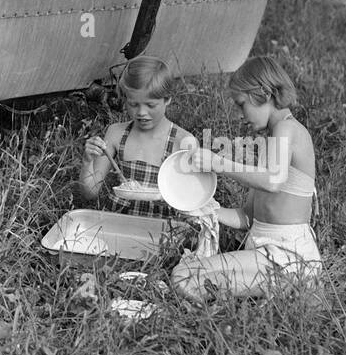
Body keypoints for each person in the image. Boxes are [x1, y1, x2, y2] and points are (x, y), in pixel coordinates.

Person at [170, 56, 320, 301]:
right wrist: (205, 210)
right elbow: (248, 217)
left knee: (185, 277)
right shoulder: (272, 143)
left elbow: (273, 181)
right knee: (185, 273)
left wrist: (218, 163)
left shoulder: (288, 128)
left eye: (241, 104)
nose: (240, 115)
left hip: (288, 256)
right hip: (267, 253)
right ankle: (273, 292)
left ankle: (288, 289)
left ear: (263, 93)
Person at [79, 56, 197, 224]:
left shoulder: (183, 141)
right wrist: (87, 161)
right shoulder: (116, 133)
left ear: (167, 99)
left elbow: (190, 201)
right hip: (119, 223)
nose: (141, 112)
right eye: (133, 104)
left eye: (150, 105)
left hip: (161, 229)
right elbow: (90, 192)